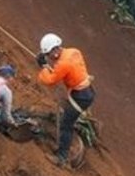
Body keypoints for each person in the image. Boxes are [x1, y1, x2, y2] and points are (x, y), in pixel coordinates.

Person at [35, 33, 95, 167]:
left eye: (49, 54)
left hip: (80, 97)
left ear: (55, 51)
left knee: (65, 124)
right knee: (67, 114)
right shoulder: (74, 51)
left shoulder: (63, 64)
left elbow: (49, 80)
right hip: (87, 91)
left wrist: (44, 67)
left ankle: (61, 157)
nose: (49, 57)